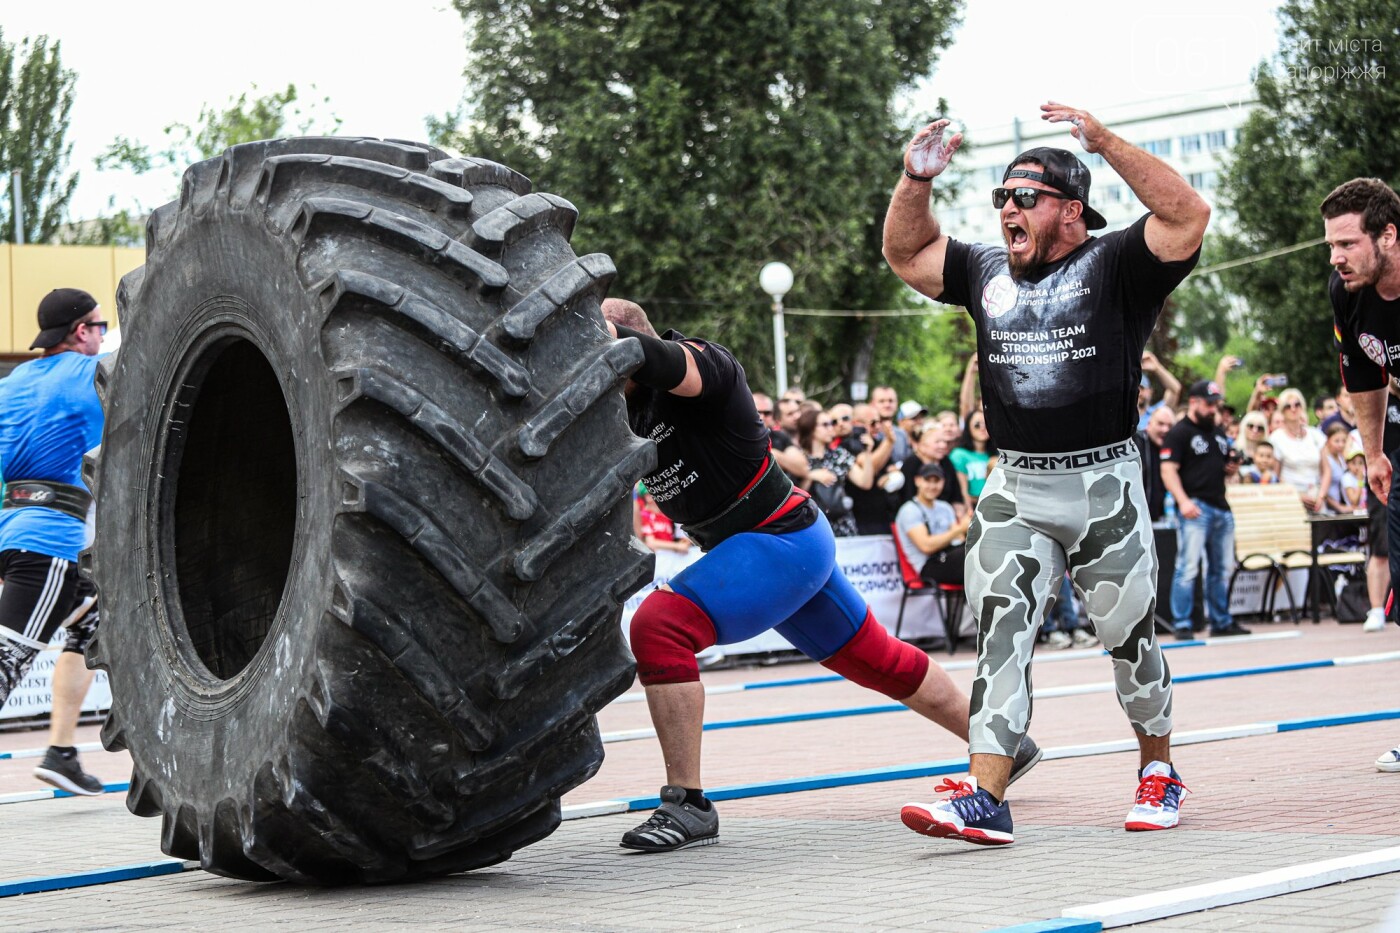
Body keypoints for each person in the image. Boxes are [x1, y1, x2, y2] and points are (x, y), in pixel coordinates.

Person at [600, 297, 1040, 852]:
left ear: (625, 349)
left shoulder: (704, 363)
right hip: (773, 552)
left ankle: (686, 806)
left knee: (659, 626)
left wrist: (591, 331)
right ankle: (1006, 746)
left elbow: (663, 362)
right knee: (877, 659)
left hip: (780, 540)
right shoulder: (620, 410)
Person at [884, 101, 1207, 843]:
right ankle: (986, 795)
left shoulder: (1119, 263)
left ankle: (1158, 770)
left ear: (1071, 211)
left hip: (1105, 484)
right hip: (1015, 485)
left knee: (1130, 640)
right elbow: (906, 254)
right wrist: (914, 179)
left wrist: (1104, 142)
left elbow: (1187, 214)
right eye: (1000, 197)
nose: (1006, 210)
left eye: (1024, 197)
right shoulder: (983, 269)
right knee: (1000, 635)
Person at [0, 288, 109, 796]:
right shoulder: (90, 374)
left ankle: (62, 752)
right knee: (7, 662)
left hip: (12, 532)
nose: (104, 334)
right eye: (101, 326)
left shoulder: (16, 379)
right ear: (82, 331)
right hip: (51, 545)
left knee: (92, 622)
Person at [1320, 179, 1400, 771]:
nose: (1336, 257)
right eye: (1330, 245)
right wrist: (1372, 453)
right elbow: (1363, 378)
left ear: (1388, 235)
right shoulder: (1346, 292)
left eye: (1347, 243)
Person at [1160, 381, 1247, 640]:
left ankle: (1221, 620)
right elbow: (1168, 469)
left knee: (1222, 569)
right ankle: (1183, 623)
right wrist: (1183, 501)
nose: (1213, 409)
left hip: (1221, 506)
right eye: (1209, 404)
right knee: (1187, 567)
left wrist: (1230, 468)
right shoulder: (1179, 432)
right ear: (1194, 402)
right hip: (1195, 507)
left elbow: (1220, 469)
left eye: (1216, 404)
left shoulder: (1218, 432)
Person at [893, 462, 972, 585]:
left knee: (976, 550)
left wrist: (967, 530)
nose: (932, 486)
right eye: (927, 480)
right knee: (970, 556)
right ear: (917, 481)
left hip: (949, 557)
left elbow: (958, 540)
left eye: (936, 481)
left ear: (943, 482)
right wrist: (959, 529)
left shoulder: (945, 507)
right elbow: (926, 546)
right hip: (928, 566)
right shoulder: (909, 510)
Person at [799, 408, 873, 537]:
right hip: (812, 526)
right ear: (810, 428)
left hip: (842, 525)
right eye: (825, 424)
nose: (831, 428)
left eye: (831, 424)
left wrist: (867, 452)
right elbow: (794, 493)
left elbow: (865, 483)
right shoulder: (799, 458)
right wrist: (810, 475)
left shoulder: (839, 455)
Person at [1269, 387, 1325, 511]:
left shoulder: (1315, 435)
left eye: (1297, 404)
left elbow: (1326, 470)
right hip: (1289, 499)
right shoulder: (1276, 438)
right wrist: (1297, 496)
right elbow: (1275, 475)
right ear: (1282, 411)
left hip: (1316, 495)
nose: (1293, 409)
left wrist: (1321, 495)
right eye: (1288, 406)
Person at [949, 409, 997, 506]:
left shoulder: (997, 454)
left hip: (995, 505)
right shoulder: (959, 454)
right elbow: (962, 491)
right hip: (972, 507)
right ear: (968, 428)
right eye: (977, 425)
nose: (982, 428)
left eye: (986, 424)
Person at [1137, 351, 1182, 431]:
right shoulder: (1122, 415)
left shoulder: (1156, 413)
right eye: (1135, 388)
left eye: (1142, 388)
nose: (1138, 392)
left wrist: (1157, 368)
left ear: (1150, 391)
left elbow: (1175, 390)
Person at [871, 386, 915, 464]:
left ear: (897, 404)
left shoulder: (901, 434)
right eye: (881, 401)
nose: (887, 405)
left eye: (891, 401)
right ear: (872, 404)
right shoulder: (868, 432)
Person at [1319, 423, 1353, 514]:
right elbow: (1322, 488)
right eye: (1336, 441)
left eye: (1343, 441)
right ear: (1328, 440)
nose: (1341, 445)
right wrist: (1339, 507)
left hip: (1340, 508)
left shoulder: (1341, 458)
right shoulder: (1326, 460)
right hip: (1329, 510)